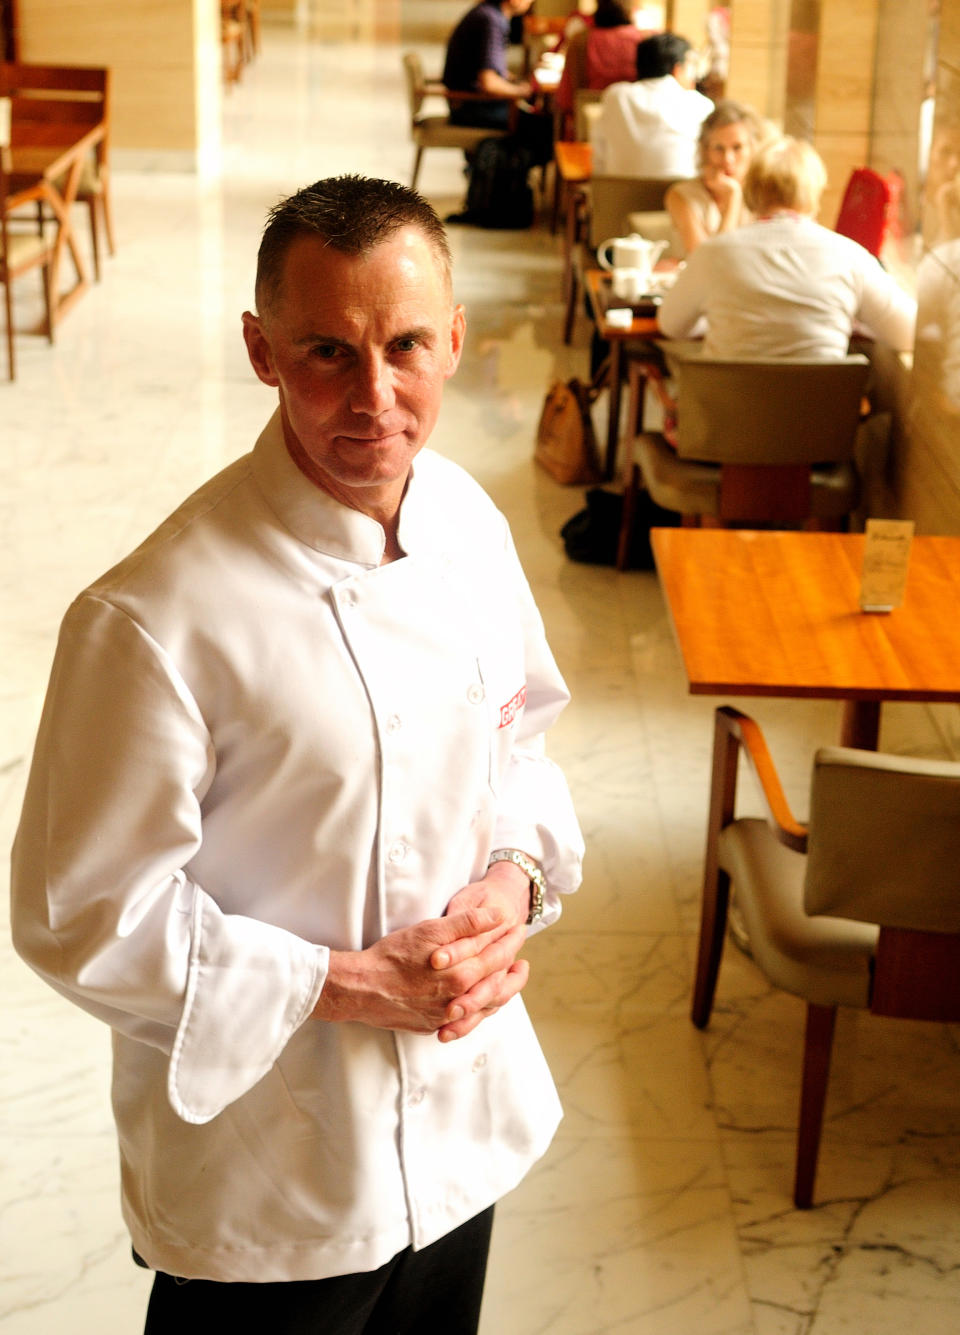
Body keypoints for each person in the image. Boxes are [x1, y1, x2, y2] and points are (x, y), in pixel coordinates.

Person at [10, 175, 584, 1334]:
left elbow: (518, 743)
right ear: (261, 350)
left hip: (463, 1137)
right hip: (273, 1185)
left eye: (408, 346)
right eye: (327, 351)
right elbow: (79, 916)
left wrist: (515, 880)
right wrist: (352, 986)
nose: (375, 396)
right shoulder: (154, 615)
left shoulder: (470, 522)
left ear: (457, 340)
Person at [658, 136, 917, 358]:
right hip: (818, 414)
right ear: (814, 192)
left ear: (752, 191)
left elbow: (670, 325)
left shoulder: (713, 254)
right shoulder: (850, 257)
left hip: (726, 413)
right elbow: (909, 333)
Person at [591, 31, 714, 178]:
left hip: (619, 197)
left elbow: (598, 155)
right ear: (678, 69)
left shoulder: (615, 95)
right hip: (678, 195)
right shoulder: (701, 105)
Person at [663, 98, 766, 255]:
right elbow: (708, 262)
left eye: (737, 148)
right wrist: (733, 198)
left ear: (752, 149)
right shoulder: (681, 195)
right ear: (705, 151)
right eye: (719, 148)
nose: (727, 159)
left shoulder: (765, 195)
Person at [554, 1, 655, 138]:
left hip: (588, 131)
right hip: (636, 131)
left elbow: (565, 100)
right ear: (631, 11)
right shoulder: (645, 42)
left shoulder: (580, 41)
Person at [442, 0, 536, 130]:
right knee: (540, 125)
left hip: (468, 102)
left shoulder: (488, 12)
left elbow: (489, 68)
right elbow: (489, 83)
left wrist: (513, 81)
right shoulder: (491, 21)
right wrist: (522, 91)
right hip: (472, 106)